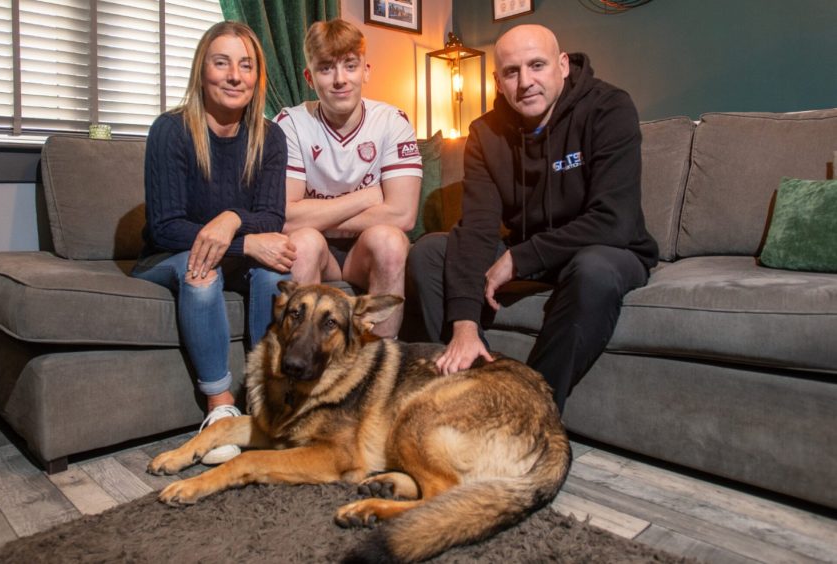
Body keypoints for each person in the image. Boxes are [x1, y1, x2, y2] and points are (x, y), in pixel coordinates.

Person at [407, 24, 659, 413]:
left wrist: (518, 258)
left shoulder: (608, 108)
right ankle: (473, 398)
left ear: (562, 65)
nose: (526, 82)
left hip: (606, 249)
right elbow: (475, 228)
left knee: (593, 268)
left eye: (537, 65)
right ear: (497, 80)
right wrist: (464, 322)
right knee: (429, 252)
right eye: (512, 72)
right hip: (532, 252)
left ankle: (527, 409)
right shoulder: (485, 133)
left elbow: (614, 220)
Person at [133, 21, 295, 464]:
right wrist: (246, 243)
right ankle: (221, 408)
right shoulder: (171, 130)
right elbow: (167, 226)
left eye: (246, 65)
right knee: (201, 272)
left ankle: (265, 400)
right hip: (169, 254)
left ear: (257, 77)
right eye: (221, 63)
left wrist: (231, 220)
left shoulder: (271, 137)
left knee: (276, 271)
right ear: (202, 70)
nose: (234, 75)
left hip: (234, 255)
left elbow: (270, 219)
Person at [275, 19, 423, 338]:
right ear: (309, 78)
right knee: (301, 243)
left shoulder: (392, 121)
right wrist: (367, 197)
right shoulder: (289, 123)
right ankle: (304, 369)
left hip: (365, 247)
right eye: (326, 68)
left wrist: (313, 213)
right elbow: (285, 219)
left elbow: (403, 214)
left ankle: (380, 361)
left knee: (391, 240)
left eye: (350, 66)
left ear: (366, 71)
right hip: (318, 248)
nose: (340, 80)